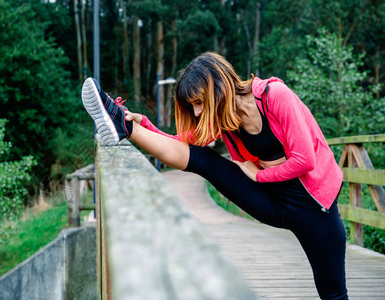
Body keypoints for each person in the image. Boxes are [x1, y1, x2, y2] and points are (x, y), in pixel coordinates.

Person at [81, 52, 348, 300]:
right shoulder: (225, 119)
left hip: (314, 210)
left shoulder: (274, 95)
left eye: (199, 103)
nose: (197, 112)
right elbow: (184, 144)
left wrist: (258, 177)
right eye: (193, 106)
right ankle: (123, 125)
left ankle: (121, 124)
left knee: (333, 295)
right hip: (272, 201)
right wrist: (144, 126)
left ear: (217, 87)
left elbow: (304, 160)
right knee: (206, 161)